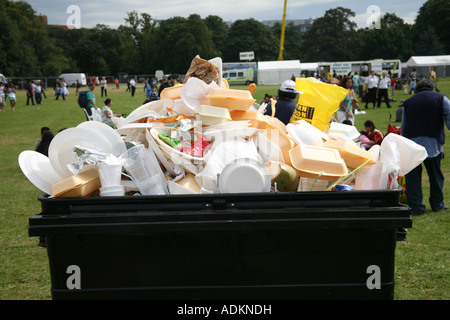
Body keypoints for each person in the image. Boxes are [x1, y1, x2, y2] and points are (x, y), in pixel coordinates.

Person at [401, 78, 450, 216]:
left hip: (412, 145)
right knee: (435, 176)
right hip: (432, 143)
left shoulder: (408, 102)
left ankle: (416, 207)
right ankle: (437, 204)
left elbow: (404, 128)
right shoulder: (441, 98)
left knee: (413, 178)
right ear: (431, 87)